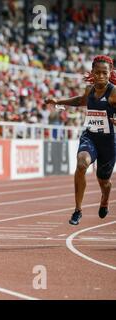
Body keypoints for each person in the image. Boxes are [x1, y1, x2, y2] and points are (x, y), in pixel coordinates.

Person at [46, 55, 116, 225]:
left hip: (108, 142)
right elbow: (81, 100)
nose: (100, 76)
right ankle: (78, 210)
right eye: (97, 72)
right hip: (90, 136)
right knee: (81, 164)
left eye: (104, 73)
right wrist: (58, 101)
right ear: (92, 72)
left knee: (104, 181)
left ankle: (105, 198)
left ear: (110, 73)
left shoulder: (113, 92)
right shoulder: (89, 90)